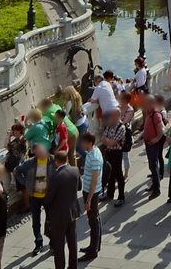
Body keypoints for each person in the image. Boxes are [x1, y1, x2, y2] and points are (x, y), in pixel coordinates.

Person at [42, 149, 82, 269]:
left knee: (59, 246)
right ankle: (73, 266)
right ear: (67, 159)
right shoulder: (75, 170)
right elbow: (79, 187)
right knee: (72, 242)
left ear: (56, 162)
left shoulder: (55, 177)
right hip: (72, 212)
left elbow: (48, 199)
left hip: (58, 216)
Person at [78, 133, 102, 262]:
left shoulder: (94, 158)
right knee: (94, 219)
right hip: (90, 191)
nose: (82, 145)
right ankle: (95, 246)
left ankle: (93, 251)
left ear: (90, 143)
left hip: (91, 192)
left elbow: (94, 180)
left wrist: (88, 200)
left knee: (93, 221)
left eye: (83, 142)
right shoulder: (94, 152)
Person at [101, 107, 128, 207]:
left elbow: (113, 142)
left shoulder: (121, 127)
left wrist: (108, 141)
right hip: (109, 152)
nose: (110, 117)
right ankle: (109, 194)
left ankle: (121, 197)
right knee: (109, 174)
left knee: (118, 174)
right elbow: (103, 138)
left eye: (112, 115)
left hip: (117, 153)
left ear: (117, 115)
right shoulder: (109, 125)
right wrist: (108, 141)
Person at [143, 95, 168, 200]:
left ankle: (157, 189)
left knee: (153, 165)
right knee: (151, 164)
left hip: (153, 144)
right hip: (148, 143)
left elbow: (162, 128)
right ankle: (154, 184)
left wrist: (157, 139)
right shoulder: (149, 113)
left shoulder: (156, 114)